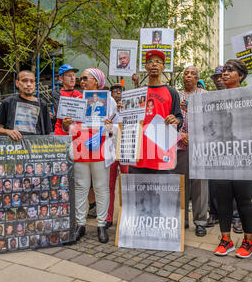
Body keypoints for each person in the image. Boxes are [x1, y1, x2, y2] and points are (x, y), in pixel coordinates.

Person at [58, 68, 118, 243]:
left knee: (101, 187)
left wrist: (109, 127)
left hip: (100, 149)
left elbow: (117, 125)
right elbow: (66, 127)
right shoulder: (75, 100)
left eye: (85, 78)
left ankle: (101, 224)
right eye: (81, 79)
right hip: (81, 148)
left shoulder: (110, 101)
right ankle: (80, 224)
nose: (81, 81)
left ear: (96, 82)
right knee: (81, 186)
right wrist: (65, 124)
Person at [210, 59, 252, 259]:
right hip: (219, 154)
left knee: (243, 199)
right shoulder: (212, 99)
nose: (225, 73)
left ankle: (248, 241)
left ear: (240, 76)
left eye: (230, 71)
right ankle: (226, 240)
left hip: (242, 155)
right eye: (224, 70)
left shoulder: (251, 97)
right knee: (222, 199)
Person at [129, 50, 183, 173]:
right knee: (139, 191)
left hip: (162, 153)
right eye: (150, 62)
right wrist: (122, 109)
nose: (154, 64)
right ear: (146, 67)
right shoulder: (138, 93)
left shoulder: (172, 92)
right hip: (140, 154)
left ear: (163, 67)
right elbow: (129, 119)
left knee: (161, 192)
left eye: (158, 62)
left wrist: (175, 120)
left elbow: (179, 118)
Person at [206, 65, 242, 233]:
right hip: (214, 144)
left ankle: (235, 217)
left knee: (233, 180)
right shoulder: (210, 98)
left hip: (233, 143)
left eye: (221, 76)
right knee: (214, 181)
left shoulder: (240, 95)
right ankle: (214, 213)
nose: (219, 79)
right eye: (216, 78)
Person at [173, 65, 208, 236]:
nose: (188, 76)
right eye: (186, 73)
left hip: (199, 147)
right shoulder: (175, 96)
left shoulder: (205, 95)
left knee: (200, 185)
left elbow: (210, 121)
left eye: (192, 74)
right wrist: (179, 134)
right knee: (181, 185)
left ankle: (200, 221)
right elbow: (170, 119)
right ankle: (182, 220)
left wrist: (193, 134)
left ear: (197, 78)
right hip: (179, 147)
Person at [0, 70, 52, 141]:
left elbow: (48, 133)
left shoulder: (42, 104)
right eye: (24, 81)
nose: (28, 84)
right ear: (17, 83)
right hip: (14, 147)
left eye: (32, 81)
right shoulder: (8, 102)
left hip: (35, 148)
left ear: (35, 84)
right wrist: (8, 132)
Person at [105, 83, 129, 229]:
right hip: (111, 149)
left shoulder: (130, 108)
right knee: (110, 184)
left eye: (119, 91)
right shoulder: (109, 110)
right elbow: (106, 129)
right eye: (114, 91)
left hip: (126, 148)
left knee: (126, 182)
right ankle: (108, 217)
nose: (117, 93)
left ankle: (126, 214)